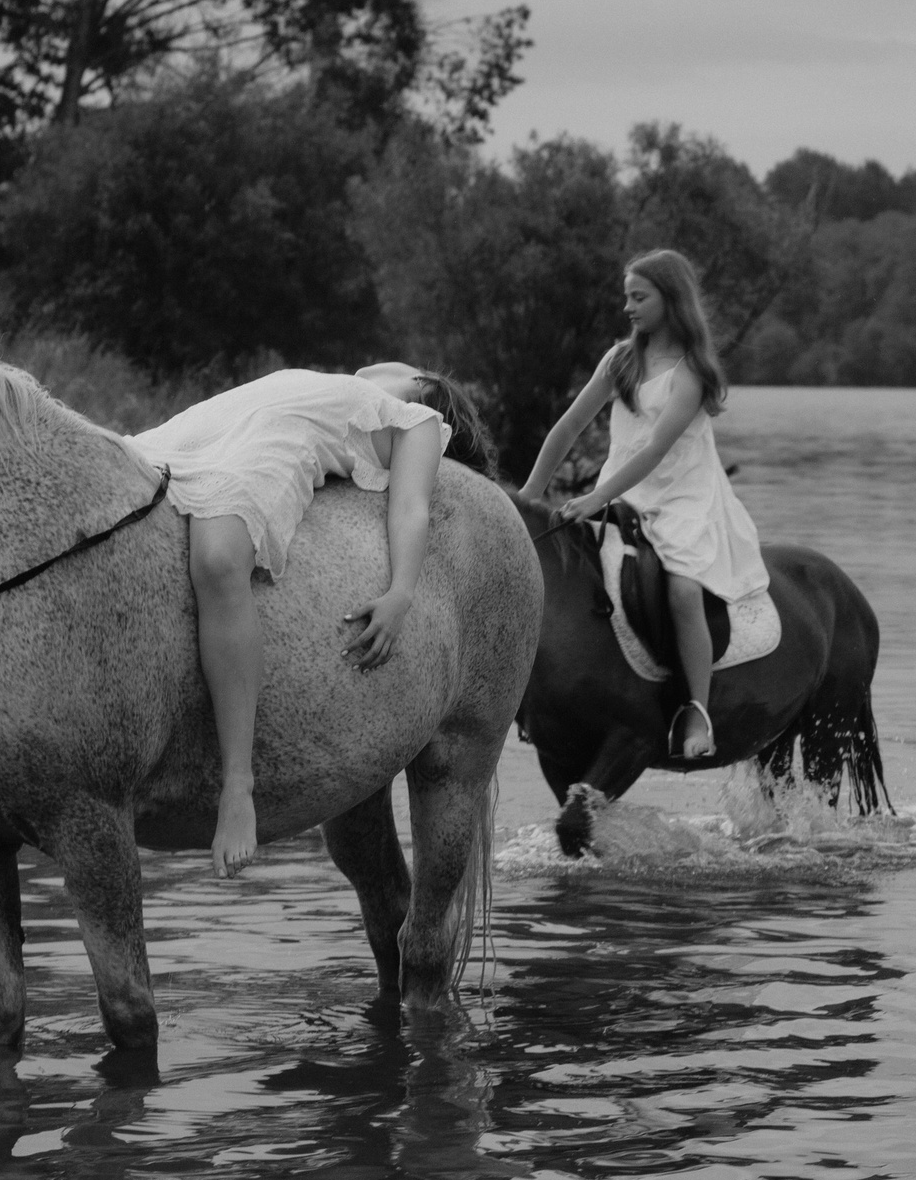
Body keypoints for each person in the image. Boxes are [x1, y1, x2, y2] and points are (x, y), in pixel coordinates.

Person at [127, 362, 496, 877]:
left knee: (218, 562)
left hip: (273, 426)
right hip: (232, 414)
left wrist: (400, 594)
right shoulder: (395, 396)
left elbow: (412, 506)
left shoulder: (419, 421)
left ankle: (238, 787)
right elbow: (410, 493)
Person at [519, 249, 768, 760]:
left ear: (670, 299)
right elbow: (568, 426)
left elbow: (656, 449)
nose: (628, 307)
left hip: (682, 499)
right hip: (622, 492)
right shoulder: (620, 360)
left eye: (639, 296)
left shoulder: (691, 373)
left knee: (681, 591)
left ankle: (696, 712)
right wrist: (528, 496)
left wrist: (594, 497)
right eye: (626, 296)